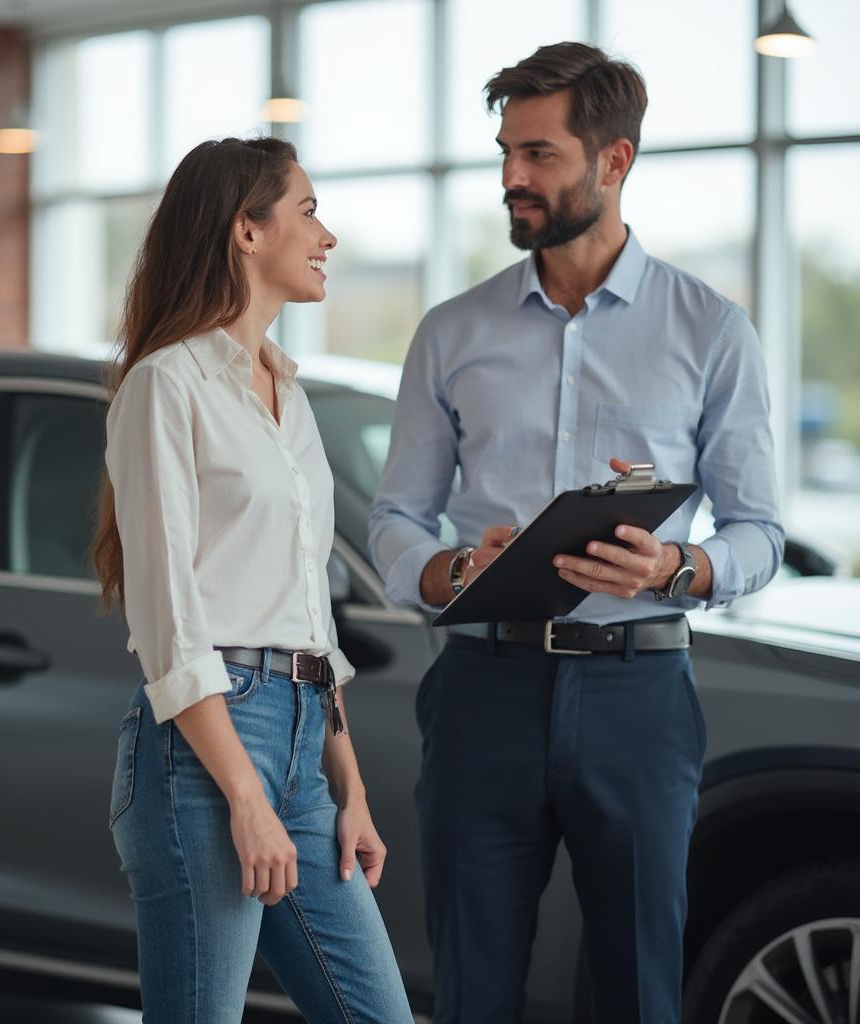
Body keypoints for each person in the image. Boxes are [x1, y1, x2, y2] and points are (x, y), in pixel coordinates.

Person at [369, 43, 783, 1024]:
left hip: (637, 696)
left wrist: (680, 564)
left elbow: (760, 529)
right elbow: (394, 516)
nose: (512, 176)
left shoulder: (710, 330)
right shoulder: (450, 330)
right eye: (506, 151)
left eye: (539, 154)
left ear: (612, 161)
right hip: (481, 692)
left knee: (641, 988)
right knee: (470, 988)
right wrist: (446, 569)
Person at [93, 137, 413, 1024]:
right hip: (204, 756)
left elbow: (310, 619)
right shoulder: (167, 387)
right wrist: (243, 794)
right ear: (245, 229)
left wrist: (348, 788)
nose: (328, 237)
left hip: (301, 751)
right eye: (307, 211)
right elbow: (169, 625)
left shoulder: (287, 392)